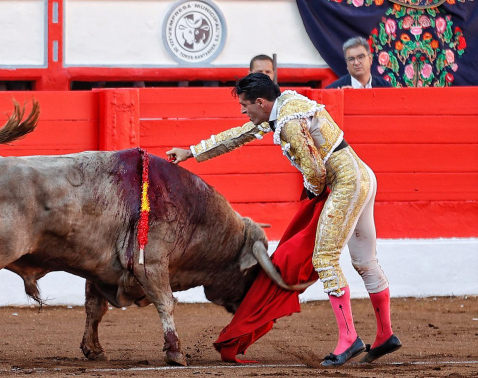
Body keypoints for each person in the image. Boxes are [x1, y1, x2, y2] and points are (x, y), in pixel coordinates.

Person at [166, 73, 401, 367]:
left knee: (325, 259)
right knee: (365, 261)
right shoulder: (285, 103)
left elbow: (314, 171)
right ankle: (385, 335)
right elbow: (240, 134)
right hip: (359, 174)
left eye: (245, 105)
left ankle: (349, 339)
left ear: (261, 102)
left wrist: (313, 195)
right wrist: (191, 152)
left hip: (346, 183)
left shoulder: (288, 123)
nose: (243, 111)